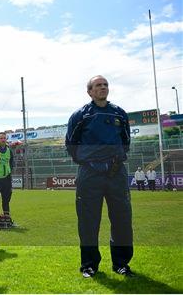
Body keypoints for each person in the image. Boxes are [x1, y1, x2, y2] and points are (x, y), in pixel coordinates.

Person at [66, 75, 134, 278]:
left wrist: (112, 161)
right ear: (90, 91)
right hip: (90, 174)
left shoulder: (119, 114)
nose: (103, 87)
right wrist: (90, 163)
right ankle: (89, 265)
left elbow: (126, 141)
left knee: (122, 219)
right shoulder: (80, 115)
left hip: (116, 174)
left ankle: (121, 263)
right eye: (98, 85)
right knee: (88, 221)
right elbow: (71, 144)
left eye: (105, 85)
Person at [0, 132, 14, 224]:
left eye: (4, 138)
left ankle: (7, 218)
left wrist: (10, 170)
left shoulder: (9, 150)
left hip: (6, 178)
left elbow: (11, 161)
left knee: (6, 199)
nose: (3, 140)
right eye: (1, 138)